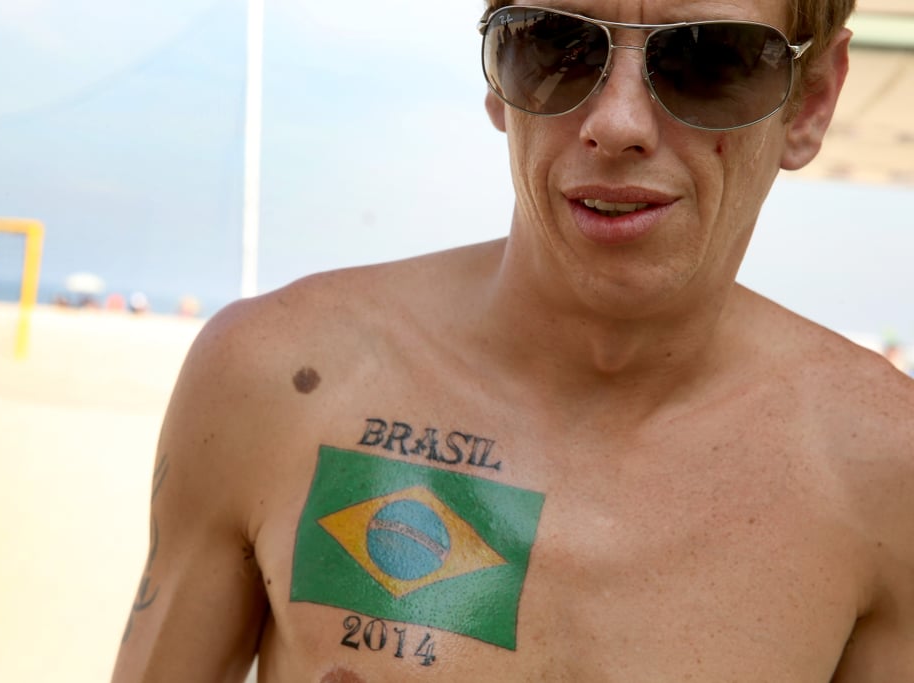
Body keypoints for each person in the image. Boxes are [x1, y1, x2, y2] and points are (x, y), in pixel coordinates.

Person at [112, 0, 914, 680]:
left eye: (709, 60)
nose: (618, 123)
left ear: (810, 101)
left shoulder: (885, 472)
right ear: (496, 76)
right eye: (556, 47)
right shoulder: (284, 379)